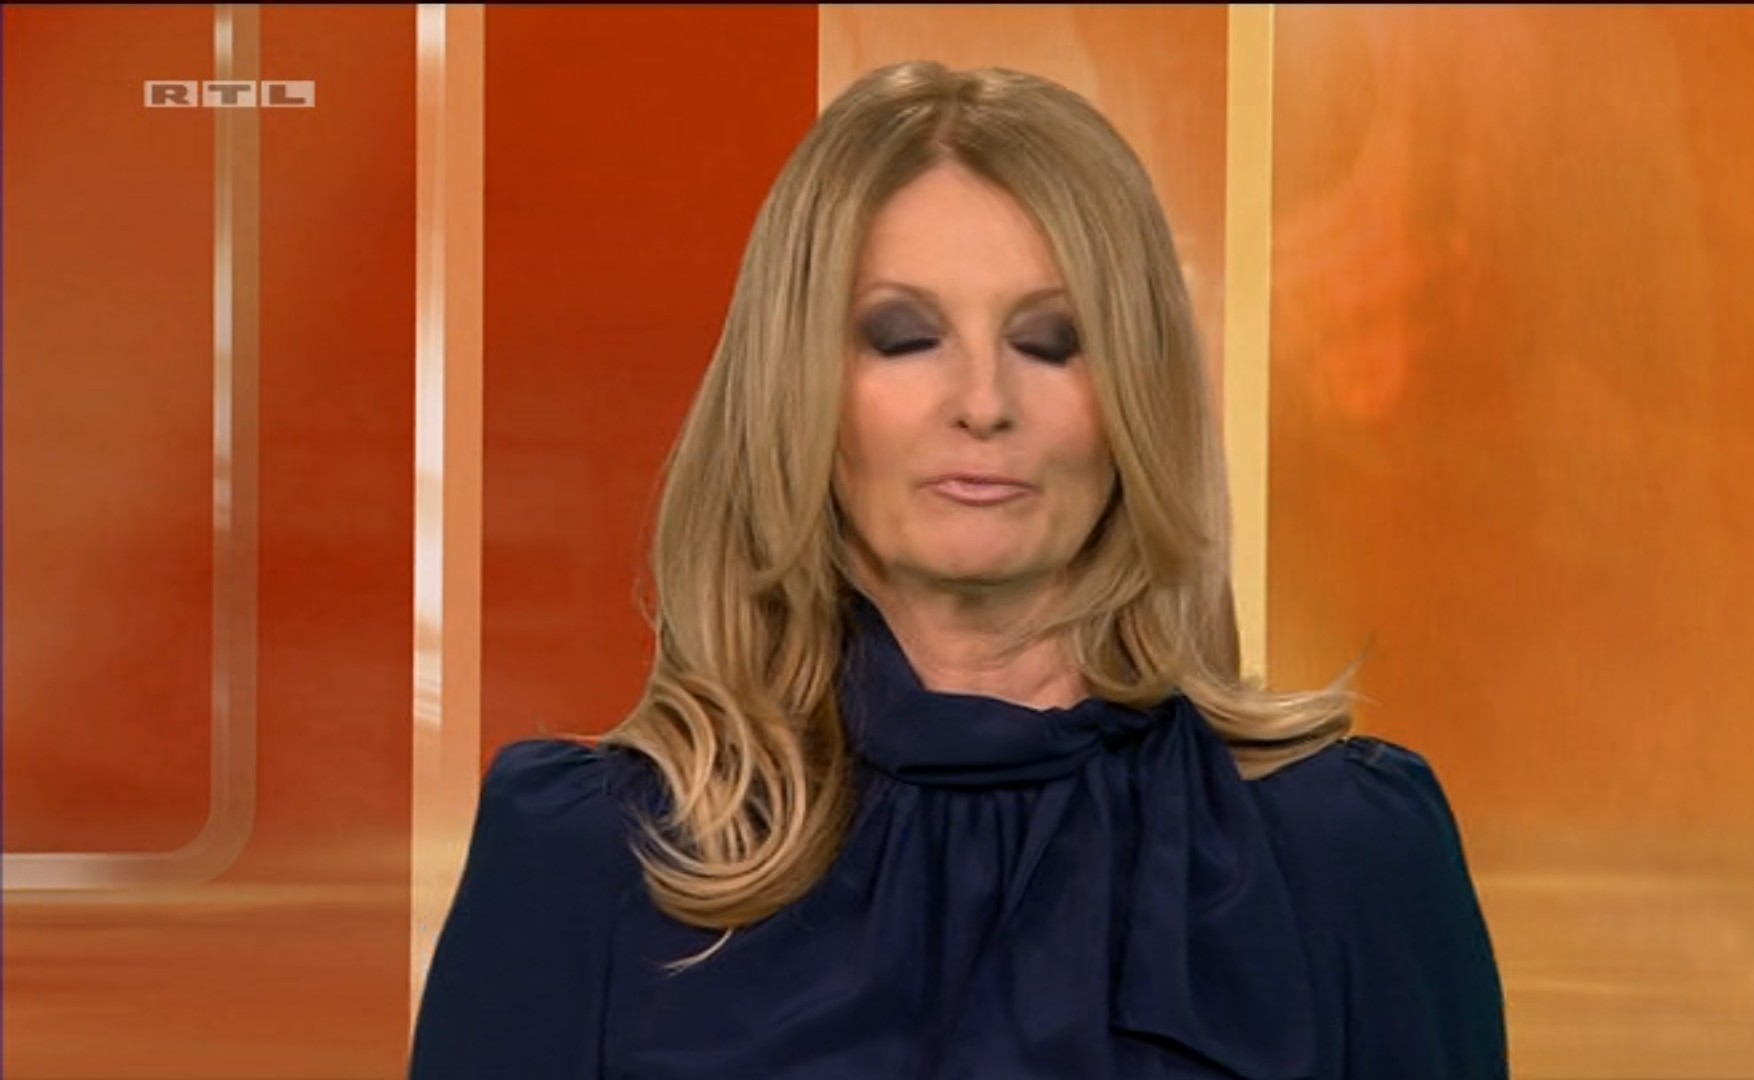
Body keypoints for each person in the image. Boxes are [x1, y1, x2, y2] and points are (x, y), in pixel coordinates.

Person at [409, 60, 1507, 1079]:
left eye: (1052, 341)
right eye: (904, 336)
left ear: (1135, 394)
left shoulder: (1348, 852)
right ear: (798, 386)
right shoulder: (590, 860)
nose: (983, 403)